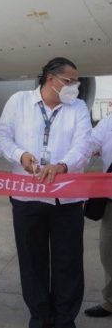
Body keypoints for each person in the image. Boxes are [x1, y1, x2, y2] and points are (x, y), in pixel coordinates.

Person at [0, 57, 92, 328]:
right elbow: (1, 138)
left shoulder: (78, 107)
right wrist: (20, 155)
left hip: (67, 199)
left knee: (68, 263)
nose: (75, 87)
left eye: (77, 82)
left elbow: (84, 144)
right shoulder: (19, 101)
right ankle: (39, 317)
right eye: (70, 81)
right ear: (51, 79)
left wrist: (63, 165)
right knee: (32, 261)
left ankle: (64, 319)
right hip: (26, 197)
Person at [84, 113, 112, 318]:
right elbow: (88, 144)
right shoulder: (109, 122)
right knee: (108, 252)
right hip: (111, 200)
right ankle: (111, 301)